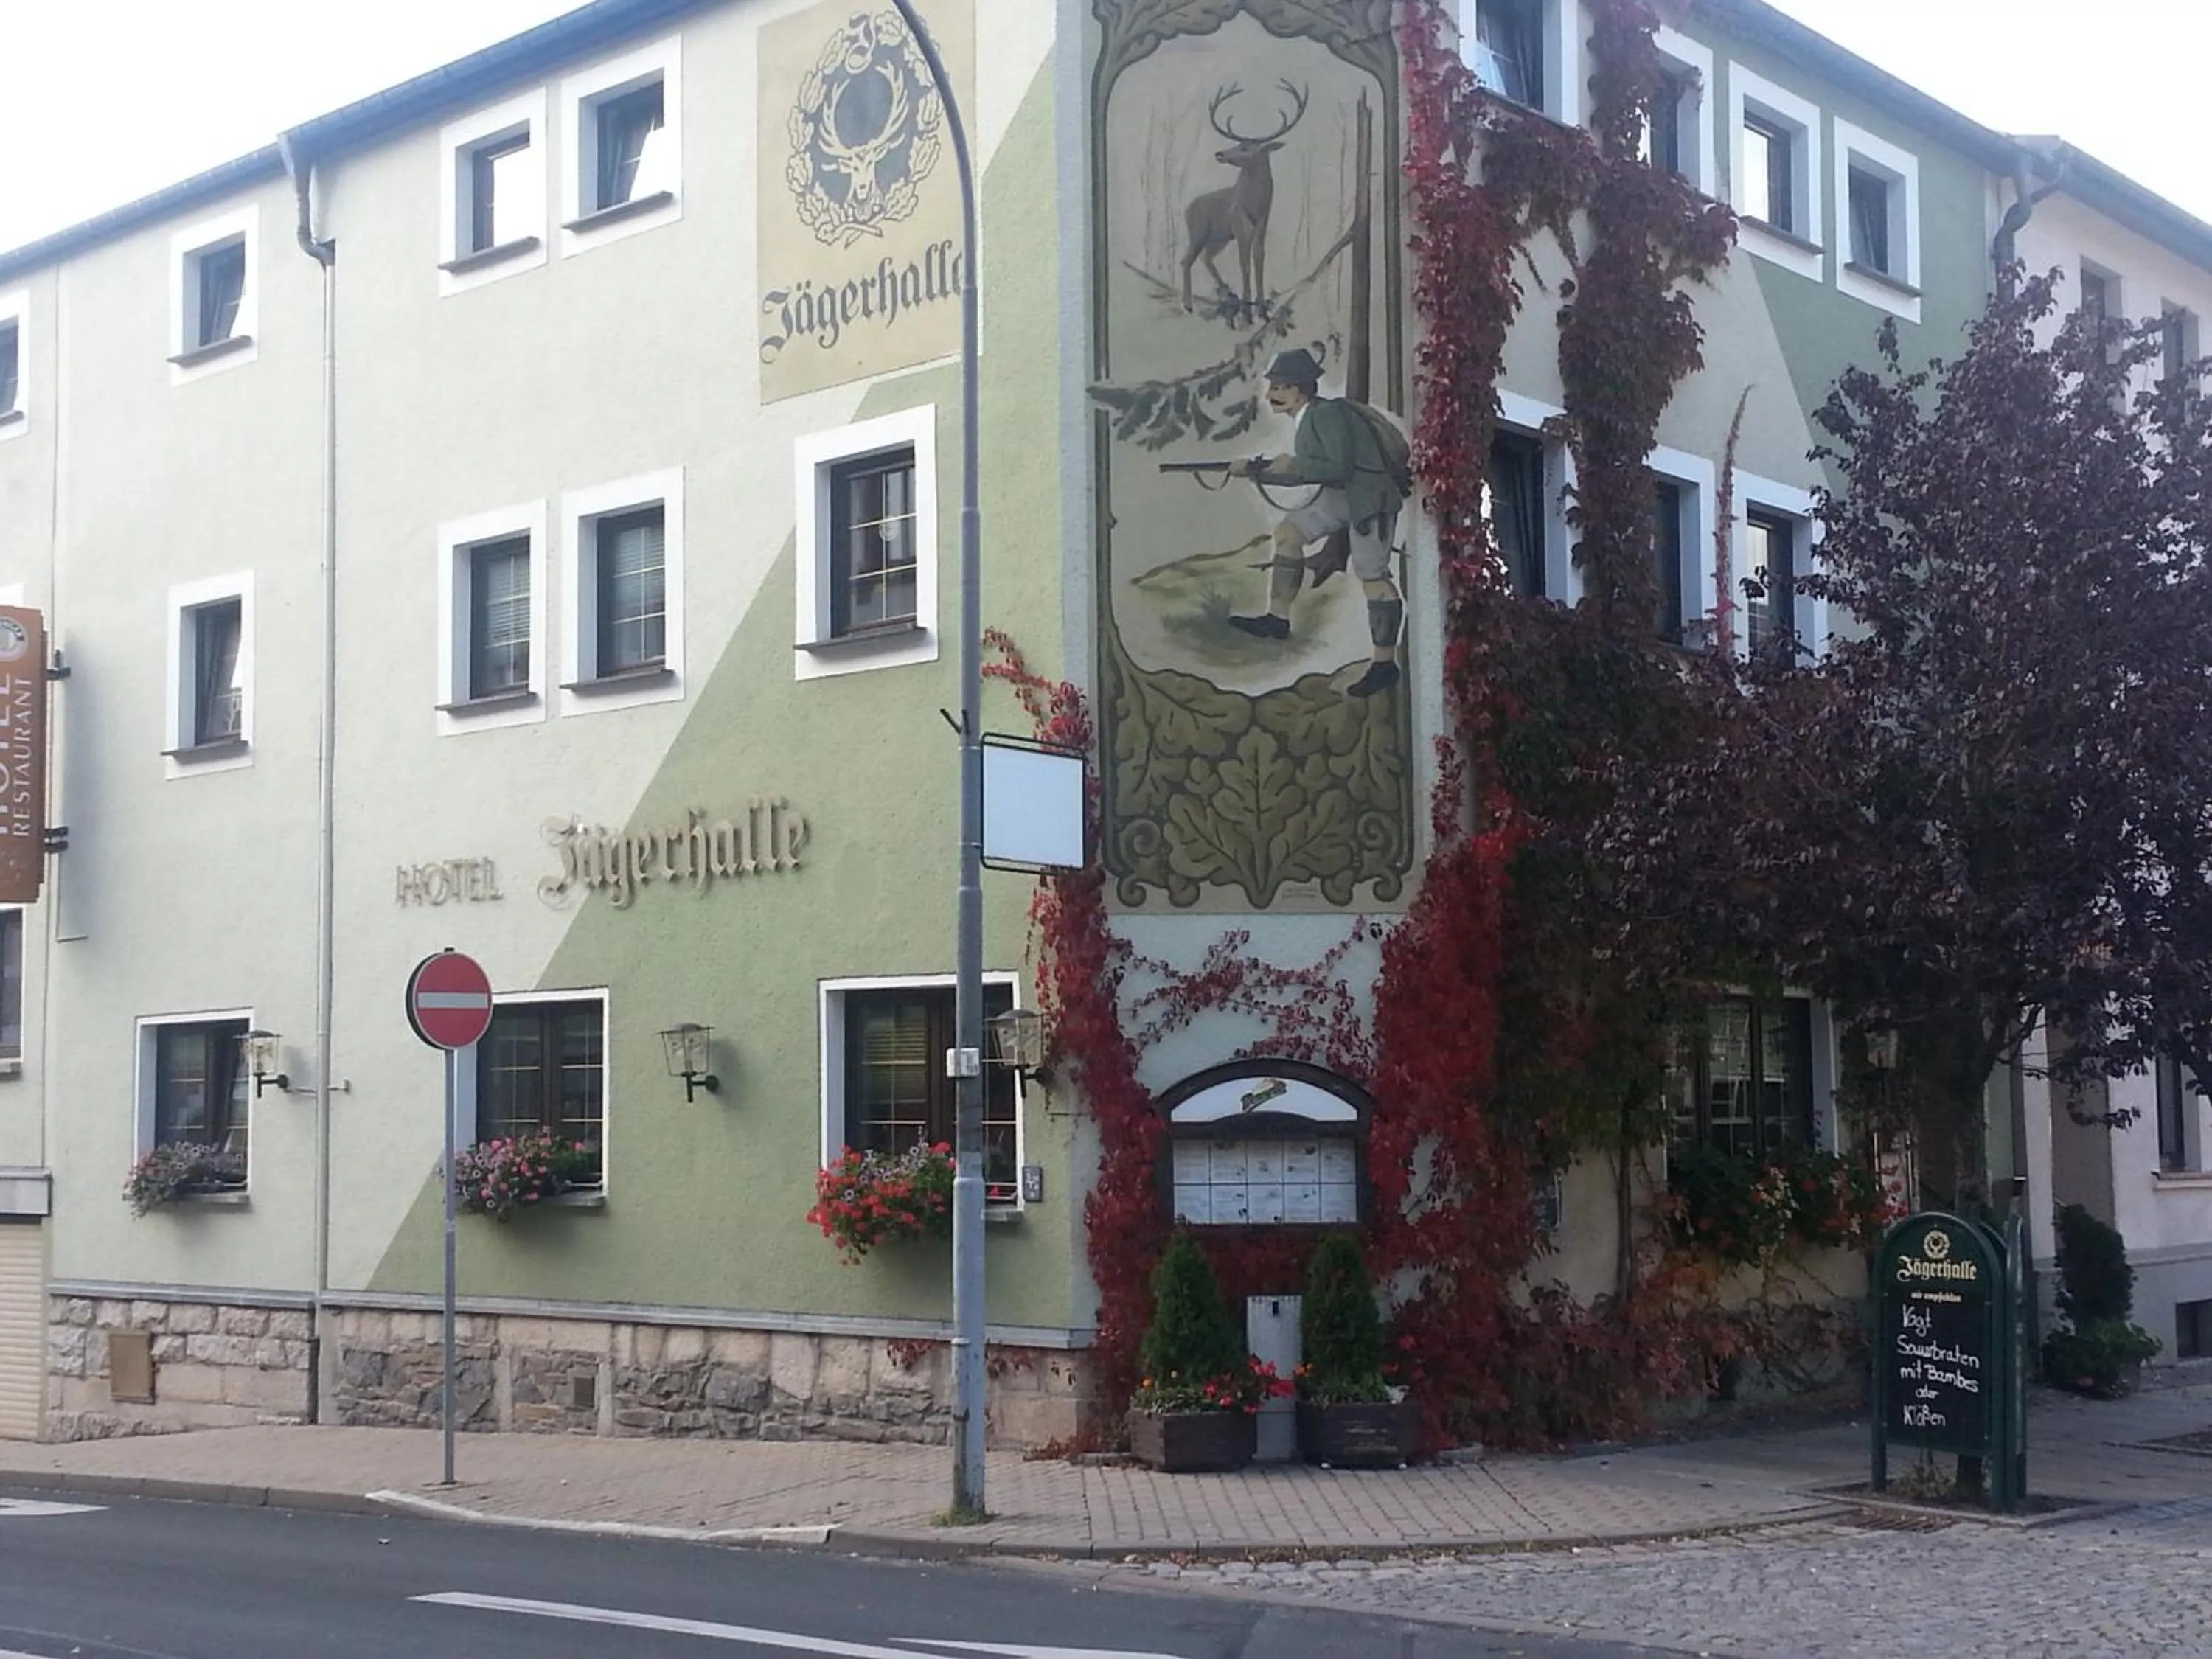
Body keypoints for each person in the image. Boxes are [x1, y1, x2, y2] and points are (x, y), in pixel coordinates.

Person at [1226, 348, 1407, 698]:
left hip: (1370, 497)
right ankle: (1277, 620)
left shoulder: (1326, 415)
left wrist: (1288, 466)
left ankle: (1384, 664)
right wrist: (1257, 470)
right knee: (1288, 534)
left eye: (1278, 387)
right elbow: (1312, 471)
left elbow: (1337, 466)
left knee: (1374, 577)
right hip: (1342, 494)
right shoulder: (1310, 417)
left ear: (1298, 389)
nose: (1270, 395)